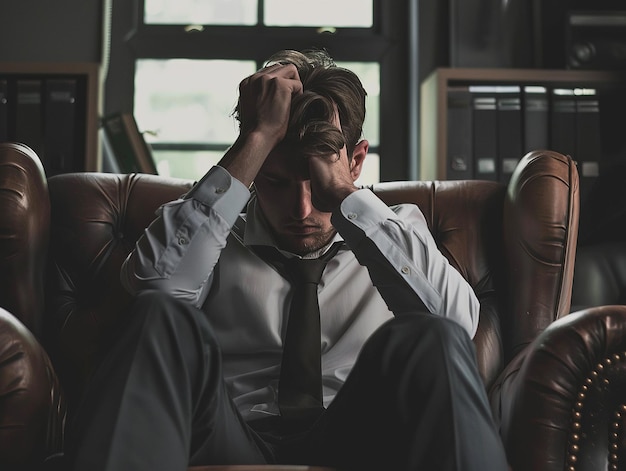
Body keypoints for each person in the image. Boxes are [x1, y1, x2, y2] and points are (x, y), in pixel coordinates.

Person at [65, 49, 508, 471]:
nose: (300, 210)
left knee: (431, 335)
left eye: (314, 184)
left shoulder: (396, 229)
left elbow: (454, 326)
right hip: (230, 434)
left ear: (355, 161)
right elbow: (153, 290)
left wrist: (344, 197)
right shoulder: (215, 236)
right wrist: (255, 138)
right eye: (275, 182)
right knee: (160, 314)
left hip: (358, 435)